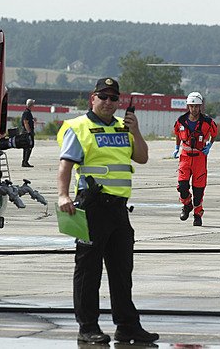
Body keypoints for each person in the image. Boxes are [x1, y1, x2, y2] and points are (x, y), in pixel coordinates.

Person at [57, 78, 159, 344]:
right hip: (91, 206)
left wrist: (136, 131)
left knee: (122, 270)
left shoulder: (122, 128)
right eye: (103, 97)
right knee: (88, 271)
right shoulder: (79, 127)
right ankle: (87, 326)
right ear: (93, 98)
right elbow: (65, 166)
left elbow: (142, 157)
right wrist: (62, 195)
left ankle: (127, 326)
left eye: (114, 98)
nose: (108, 102)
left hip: (118, 210)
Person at [173, 92, 219, 226]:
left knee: (198, 190)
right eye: (192, 106)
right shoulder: (181, 120)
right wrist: (177, 147)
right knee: (182, 186)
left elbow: (214, 133)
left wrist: (209, 145)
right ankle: (187, 205)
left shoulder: (208, 122)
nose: (194, 109)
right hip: (185, 158)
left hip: (200, 158)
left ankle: (198, 215)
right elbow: (177, 133)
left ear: (200, 107)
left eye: (196, 106)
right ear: (188, 106)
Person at [21, 99, 35, 167]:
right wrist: (29, 132)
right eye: (33, 104)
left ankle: (25, 161)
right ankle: (25, 162)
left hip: (29, 132)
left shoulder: (28, 112)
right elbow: (25, 122)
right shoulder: (26, 112)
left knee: (29, 146)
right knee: (28, 147)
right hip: (27, 133)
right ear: (31, 105)